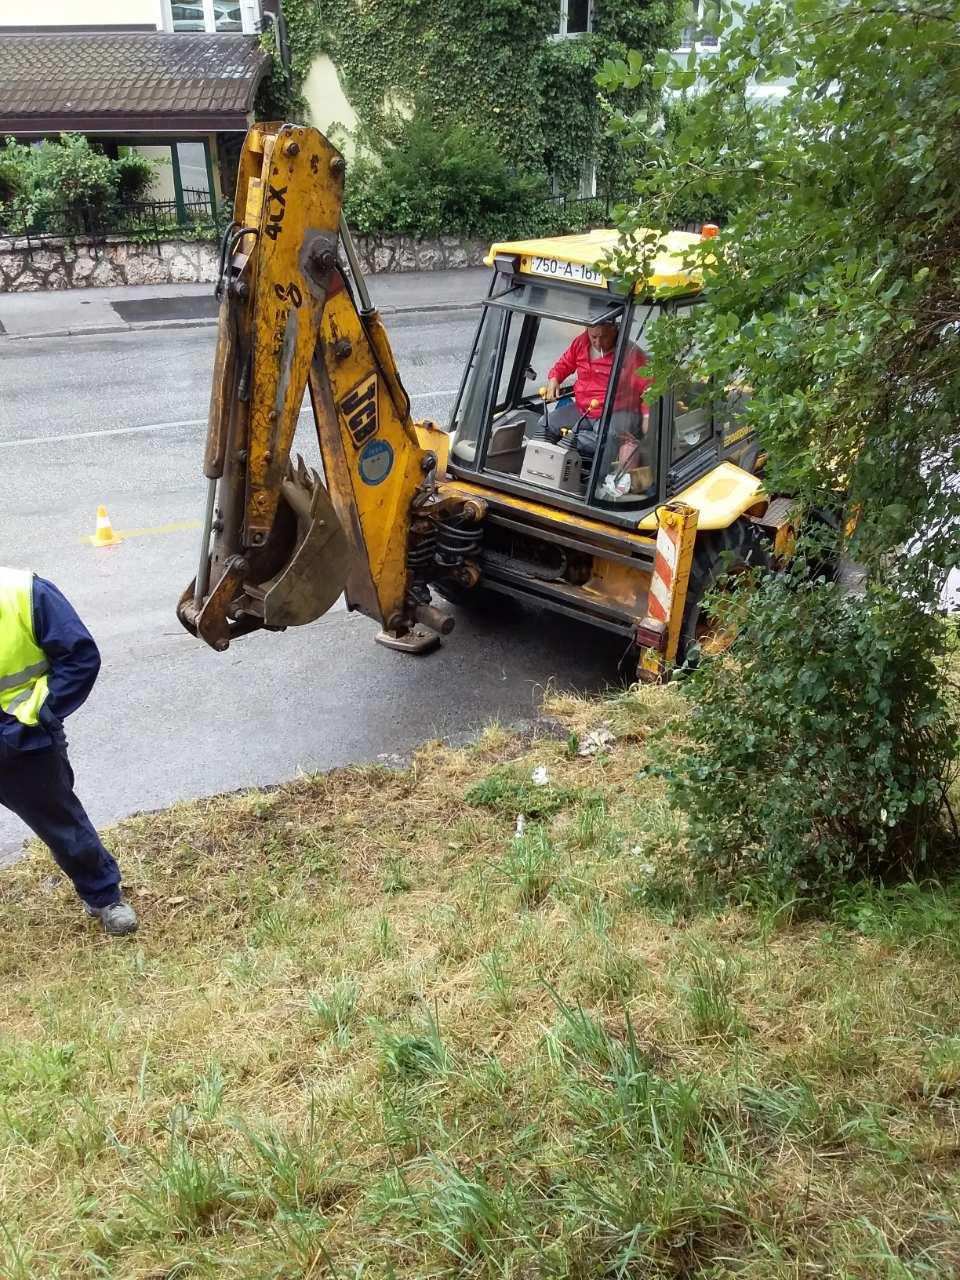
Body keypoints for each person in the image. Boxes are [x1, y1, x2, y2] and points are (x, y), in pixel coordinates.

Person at [0, 567, 138, 935]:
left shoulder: (24, 594)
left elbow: (79, 658)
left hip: (18, 740)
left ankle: (104, 896)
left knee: (62, 824)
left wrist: (36, 716)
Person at [541, 320, 653, 465]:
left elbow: (649, 387)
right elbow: (565, 363)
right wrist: (554, 378)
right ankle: (545, 468)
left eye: (604, 337)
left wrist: (646, 416)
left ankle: (601, 476)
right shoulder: (581, 343)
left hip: (617, 411)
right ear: (587, 329)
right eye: (594, 337)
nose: (598, 343)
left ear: (615, 330)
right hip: (584, 409)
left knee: (606, 438)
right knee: (545, 424)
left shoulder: (630, 353)